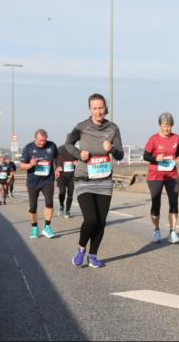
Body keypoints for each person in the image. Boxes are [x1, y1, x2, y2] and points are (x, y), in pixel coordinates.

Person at [63, 93, 124, 268]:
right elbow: (68, 144)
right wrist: (78, 154)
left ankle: (93, 256)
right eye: (95, 108)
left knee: (101, 221)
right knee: (91, 219)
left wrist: (111, 149)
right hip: (84, 178)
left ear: (106, 108)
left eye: (101, 107)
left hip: (104, 180)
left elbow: (120, 154)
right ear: (90, 109)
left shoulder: (113, 128)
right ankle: (81, 248)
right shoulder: (81, 127)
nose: (98, 111)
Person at [144, 112, 179, 244]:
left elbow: (178, 150)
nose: (167, 129)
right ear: (160, 125)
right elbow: (145, 156)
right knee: (156, 205)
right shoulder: (153, 139)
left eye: (169, 126)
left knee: (174, 203)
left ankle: (173, 233)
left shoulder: (176, 138)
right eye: (165, 126)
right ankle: (156, 230)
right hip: (155, 175)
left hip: (172, 175)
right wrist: (156, 158)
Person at [18, 130, 58, 239]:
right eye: (40, 141)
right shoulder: (28, 148)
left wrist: (58, 167)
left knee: (49, 203)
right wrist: (31, 164)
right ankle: (34, 228)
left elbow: (57, 158)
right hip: (33, 182)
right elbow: (21, 166)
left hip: (48, 180)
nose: (42, 143)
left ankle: (47, 227)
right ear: (35, 138)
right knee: (33, 206)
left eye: (44, 140)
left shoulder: (52, 145)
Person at [56, 148, 77, 218]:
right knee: (62, 191)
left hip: (72, 176)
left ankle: (68, 210)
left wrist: (78, 164)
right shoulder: (60, 149)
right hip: (62, 175)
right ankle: (61, 205)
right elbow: (54, 159)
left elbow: (80, 160)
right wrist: (57, 167)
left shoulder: (75, 150)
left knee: (70, 194)